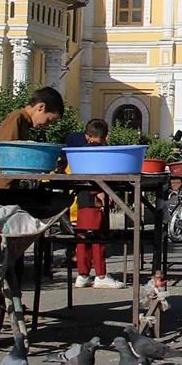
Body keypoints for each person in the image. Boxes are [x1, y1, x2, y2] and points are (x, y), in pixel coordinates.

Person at [72, 119, 124, 290]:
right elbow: (101, 175)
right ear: (106, 136)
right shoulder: (102, 152)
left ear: (87, 135)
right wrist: (104, 193)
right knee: (97, 238)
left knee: (83, 238)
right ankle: (101, 275)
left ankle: (82, 274)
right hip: (96, 199)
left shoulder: (78, 152)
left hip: (82, 199)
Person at [0, 86, 64, 188]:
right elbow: (7, 153)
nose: (47, 125)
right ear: (41, 107)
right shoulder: (17, 118)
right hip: (0, 185)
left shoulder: (25, 122)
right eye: (48, 120)